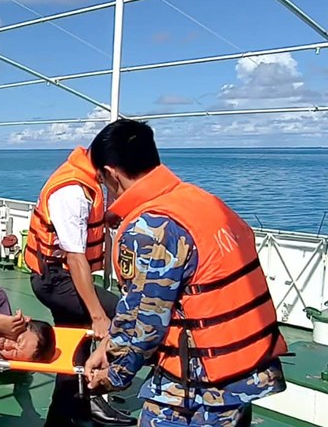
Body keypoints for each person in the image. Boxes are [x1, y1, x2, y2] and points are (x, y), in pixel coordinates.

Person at [84, 119, 288, 427]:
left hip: (198, 387)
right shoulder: (202, 202)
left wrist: (114, 376)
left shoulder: (150, 228)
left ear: (112, 175)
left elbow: (147, 321)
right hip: (244, 371)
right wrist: (107, 346)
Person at [24, 147, 133, 426]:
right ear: (110, 169)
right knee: (130, 315)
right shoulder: (72, 191)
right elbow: (74, 258)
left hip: (63, 278)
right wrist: (99, 316)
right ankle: (98, 393)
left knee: (73, 354)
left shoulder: (88, 180)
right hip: (55, 281)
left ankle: (73, 414)